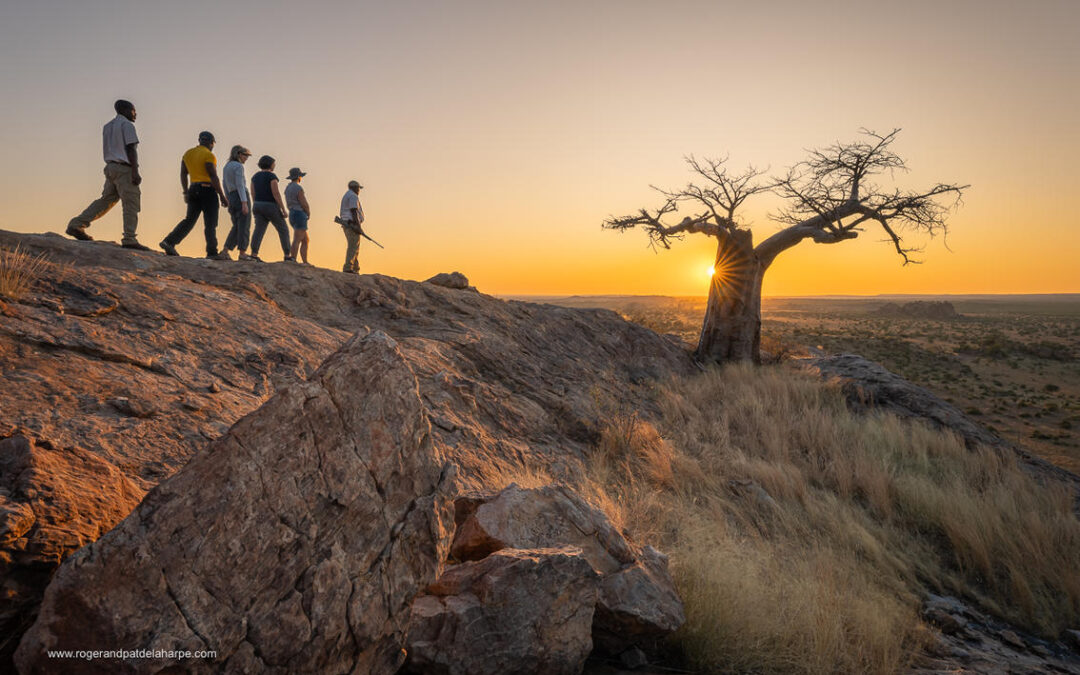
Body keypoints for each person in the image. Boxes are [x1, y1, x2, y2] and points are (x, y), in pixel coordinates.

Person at [66, 100, 150, 250]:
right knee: (131, 203)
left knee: (106, 200)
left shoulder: (108, 126)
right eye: (133, 110)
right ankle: (130, 238)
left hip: (111, 167)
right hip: (124, 168)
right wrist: (135, 171)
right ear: (125, 109)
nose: (135, 114)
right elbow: (131, 148)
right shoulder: (127, 125)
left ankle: (77, 224)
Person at [160, 131, 230, 259]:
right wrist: (222, 196)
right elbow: (213, 176)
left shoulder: (188, 154)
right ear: (211, 142)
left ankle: (169, 242)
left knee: (189, 220)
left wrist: (185, 191)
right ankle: (212, 252)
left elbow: (183, 173)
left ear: (200, 140)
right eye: (213, 144)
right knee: (210, 223)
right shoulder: (209, 155)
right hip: (207, 190)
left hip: (193, 189)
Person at [249, 156, 291, 262]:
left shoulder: (255, 176)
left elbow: (252, 192)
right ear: (270, 164)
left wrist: (256, 203)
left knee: (259, 230)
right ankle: (287, 255)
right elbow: (276, 193)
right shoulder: (272, 176)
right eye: (274, 163)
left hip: (257, 204)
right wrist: (283, 209)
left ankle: (253, 254)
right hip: (270, 205)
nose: (274, 165)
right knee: (283, 230)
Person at [222, 145, 255, 260]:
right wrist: (244, 203)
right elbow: (240, 184)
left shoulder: (226, 166)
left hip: (231, 196)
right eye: (245, 155)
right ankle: (242, 252)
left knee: (236, 225)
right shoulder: (238, 166)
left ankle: (225, 250)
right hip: (241, 196)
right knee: (244, 225)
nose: (246, 158)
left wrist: (227, 198)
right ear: (239, 154)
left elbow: (224, 183)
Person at [284, 168, 311, 264]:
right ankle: (293, 258)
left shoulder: (287, 188)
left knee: (305, 240)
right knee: (297, 239)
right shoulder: (298, 188)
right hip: (299, 213)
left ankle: (305, 261)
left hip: (292, 213)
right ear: (299, 177)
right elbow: (303, 202)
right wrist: (308, 212)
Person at [339, 180, 364, 274]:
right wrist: (358, 226)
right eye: (358, 188)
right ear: (355, 188)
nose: (359, 190)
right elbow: (354, 211)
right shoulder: (353, 196)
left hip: (348, 223)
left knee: (354, 246)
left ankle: (355, 268)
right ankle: (348, 267)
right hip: (351, 223)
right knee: (353, 246)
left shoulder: (347, 195)